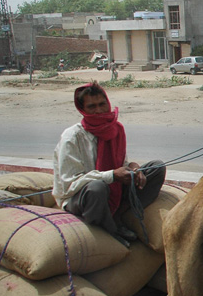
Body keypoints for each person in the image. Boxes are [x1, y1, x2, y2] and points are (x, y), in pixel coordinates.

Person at [53, 81, 166, 246]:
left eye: (102, 104)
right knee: (97, 187)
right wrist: (112, 175)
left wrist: (133, 168)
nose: (99, 111)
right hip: (80, 196)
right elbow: (69, 183)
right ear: (82, 109)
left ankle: (118, 215)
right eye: (92, 107)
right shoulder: (72, 137)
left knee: (157, 167)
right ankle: (110, 230)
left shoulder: (115, 129)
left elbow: (122, 162)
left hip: (112, 187)